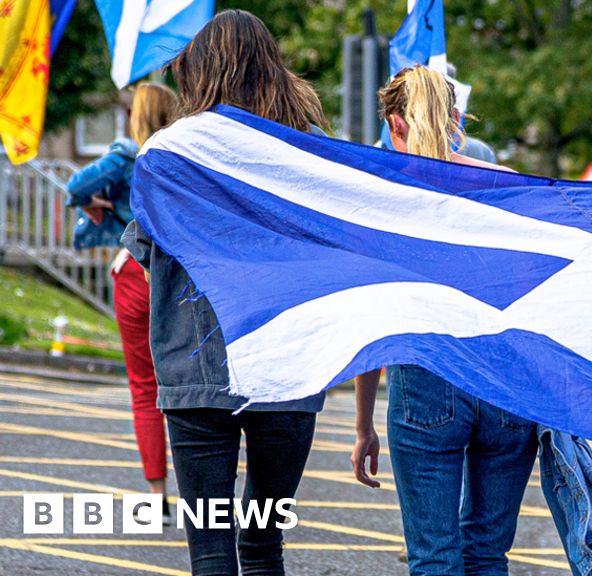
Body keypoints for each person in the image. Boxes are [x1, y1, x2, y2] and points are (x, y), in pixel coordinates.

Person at [121, 10, 329, 576]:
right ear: (273, 66)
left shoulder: (168, 152)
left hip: (195, 371)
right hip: (289, 370)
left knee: (210, 549)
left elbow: (145, 253)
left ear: (201, 70)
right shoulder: (310, 151)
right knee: (264, 546)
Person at [350, 65, 536, 576]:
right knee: (487, 553)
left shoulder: (382, 201)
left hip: (426, 381)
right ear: (457, 119)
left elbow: (375, 320)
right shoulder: (511, 187)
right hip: (506, 382)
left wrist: (365, 424)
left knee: (434, 556)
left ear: (394, 123)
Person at [66, 83, 177, 522]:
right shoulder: (180, 157)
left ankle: (156, 497)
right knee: (190, 388)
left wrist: (99, 203)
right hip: (178, 275)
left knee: (146, 388)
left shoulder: (127, 155)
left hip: (134, 271)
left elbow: (76, 184)